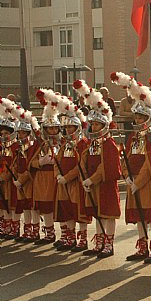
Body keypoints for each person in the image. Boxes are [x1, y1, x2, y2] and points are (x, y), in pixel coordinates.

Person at [110, 73, 151, 264]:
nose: (139, 121)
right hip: (133, 181)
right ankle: (142, 246)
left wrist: (139, 181)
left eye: (142, 117)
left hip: (147, 183)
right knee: (139, 218)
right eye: (137, 117)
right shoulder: (133, 138)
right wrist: (127, 177)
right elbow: (125, 158)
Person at [75, 79, 122, 259]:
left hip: (106, 185)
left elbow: (107, 167)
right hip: (94, 185)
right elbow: (84, 162)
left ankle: (108, 243)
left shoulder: (109, 144)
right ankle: (100, 241)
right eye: (92, 124)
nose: (93, 127)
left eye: (96, 124)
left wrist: (92, 179)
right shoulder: (91, 144)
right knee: (98, 214)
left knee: (108, 215)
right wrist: (85, 178)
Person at [53, 96, 91, 251]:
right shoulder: (64, 144)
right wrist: (58, 176)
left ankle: (83, 239)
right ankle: (70, 237)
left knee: (78, 211)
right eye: (66, 128)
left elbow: (80, 165)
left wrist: (67, 177)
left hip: (76, 183)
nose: (68, 130)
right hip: (63, 183)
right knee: (67, 209)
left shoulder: (82, 144)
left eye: (71, 128)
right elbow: (57, 161)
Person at [30, 89, 62, 246]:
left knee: (62, 206)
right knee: (45, 206)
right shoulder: (40, 144)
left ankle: (67, 235)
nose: (53, 131)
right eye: (50, 128)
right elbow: (31, 163)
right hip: (43, 179)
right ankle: (49, 232)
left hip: (58, 177)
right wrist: (41, 162)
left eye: (55, 128)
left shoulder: (63, 143)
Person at [10, 108, 39, 242]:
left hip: (29, 181)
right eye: (19, 132)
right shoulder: (18, 148)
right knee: (25, 207)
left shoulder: (32, 147)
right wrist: (15, 176)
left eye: (23, 132)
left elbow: (30, 166)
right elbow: (15, 164)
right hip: (19, 180)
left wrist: (21, 180)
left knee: (32, 207)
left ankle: (35, 231)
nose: (21, 135)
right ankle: (27, 230)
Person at [0, 108, 20, 241]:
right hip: (1, 180)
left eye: (6, 133)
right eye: (1, 133)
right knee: (2, 204)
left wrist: (5, 176)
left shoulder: (15, 147)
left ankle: (15, 228)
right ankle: (5, 226)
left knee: (12, 204)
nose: (3, 135)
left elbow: (16, 164)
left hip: (10, 180)